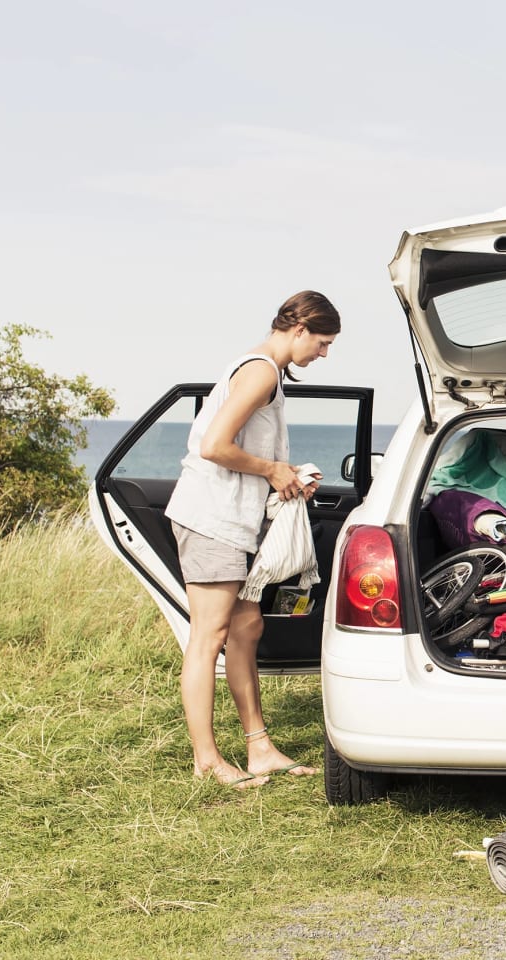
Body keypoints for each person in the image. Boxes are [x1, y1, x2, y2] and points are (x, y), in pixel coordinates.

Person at [164, 290, 341, 788]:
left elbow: (239, 447)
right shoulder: (262, 369)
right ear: (300, 329)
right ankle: (207, 760)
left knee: (246, 629)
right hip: (211, 519)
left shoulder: (266, 372)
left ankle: (259, 748)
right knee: (210, 636)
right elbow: (213, 446)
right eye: (323, 343)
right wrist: (271, 470)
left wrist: (283, 474)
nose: (323, 354)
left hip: (233, 521)